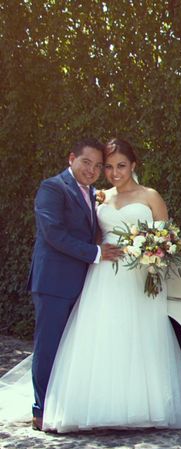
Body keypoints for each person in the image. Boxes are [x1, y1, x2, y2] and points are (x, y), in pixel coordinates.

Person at [41, 138, 181, 432]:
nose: (114, 173)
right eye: (108, 167)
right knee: (105, 335)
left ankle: (144, 407)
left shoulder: (151, 196)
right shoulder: (100, 198)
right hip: (105, 275)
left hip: (140, 277)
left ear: (133, 165)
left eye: (121, 166)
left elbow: (168, 238)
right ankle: (100, 406)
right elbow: (94, 238)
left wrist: (153, 253)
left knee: (141, 336)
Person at [27, 138, 123, 431]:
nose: (92, 170)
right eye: (86, 163)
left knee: (72, 348)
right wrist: (96, 253)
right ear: (72, 159)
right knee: (49, 346)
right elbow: (54, 233)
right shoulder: (52, 188)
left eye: (97, 166)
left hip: (84, 283)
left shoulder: (94, 193)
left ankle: (66, 405)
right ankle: (41, 410)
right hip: (53, 282)